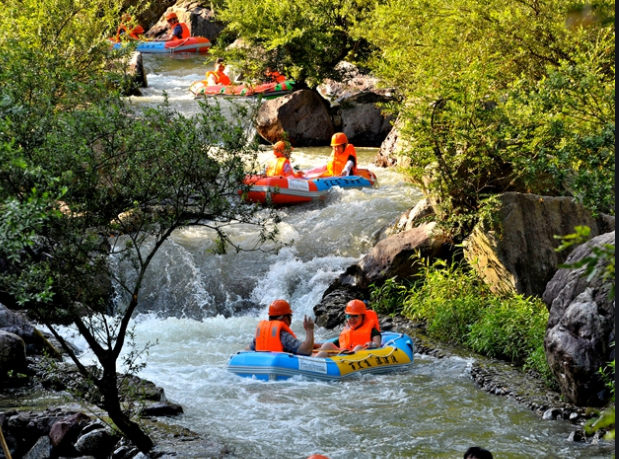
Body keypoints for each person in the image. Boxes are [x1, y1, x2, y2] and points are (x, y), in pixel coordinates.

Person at [246, 299, 315, 355]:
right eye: (290, 316)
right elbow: (307, 350)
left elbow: (247, 350)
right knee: (326, 346)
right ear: (285, 318)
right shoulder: (284, 336)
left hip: (264, 364)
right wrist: (309, 330)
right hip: (282, 367)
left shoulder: (261, 335)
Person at [315, 300, 381, 357]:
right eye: (349, 316)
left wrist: (372, 344)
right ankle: (314, 362)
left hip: (356, 357)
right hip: (343, 354)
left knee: (358, 347)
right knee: (327, 345)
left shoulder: (373, 331)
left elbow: (378, 345)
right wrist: (315, 345)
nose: (351, 319)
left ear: (363, 317)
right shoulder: (347, 332)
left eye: (355, 316)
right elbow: (335, 344)